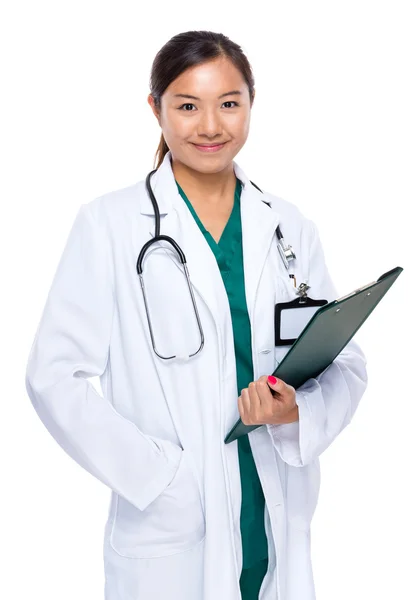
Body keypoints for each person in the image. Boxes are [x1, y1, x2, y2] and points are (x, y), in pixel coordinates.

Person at [25, 30, 368, 600]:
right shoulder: (110, 225)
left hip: (273, 500)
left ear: (250, 105)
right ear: (155, 108)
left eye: (229, 104)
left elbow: (345, 361)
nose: (211, 125)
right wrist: (157, 476)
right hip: (174, 521)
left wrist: (296, 413)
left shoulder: (287, 225)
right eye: (187, 106)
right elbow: (53, 376)